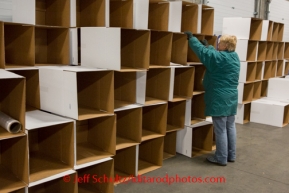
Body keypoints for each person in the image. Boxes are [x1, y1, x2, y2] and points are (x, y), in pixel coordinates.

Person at [184, 31, 240, 166]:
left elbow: (204, 54)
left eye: (219, 43)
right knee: (230, 126)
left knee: (220, 129)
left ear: (226, 45)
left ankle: (221, 158)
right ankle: (231, 155)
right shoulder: (234, 57)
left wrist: (192, 39)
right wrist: (208, 46)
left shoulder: (218, 58)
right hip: (231, 97)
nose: (218, 44)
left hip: (219, 96)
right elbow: (213, 55)